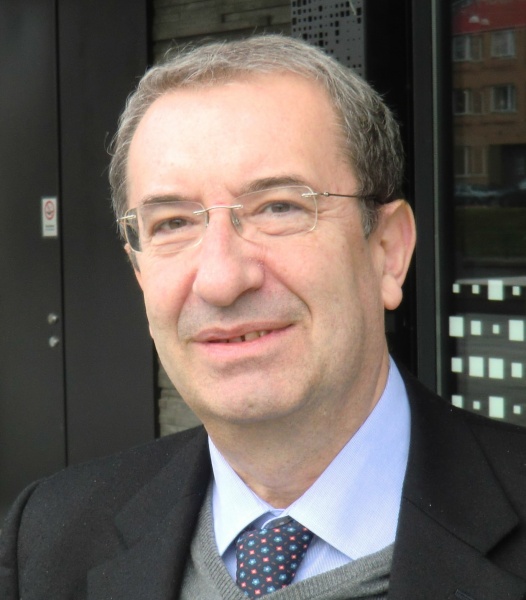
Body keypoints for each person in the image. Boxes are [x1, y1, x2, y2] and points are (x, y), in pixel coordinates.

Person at [2, 35, 526, 600]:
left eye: (279, 207)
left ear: (388, 251)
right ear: (139, 270)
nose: (221, 280)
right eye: (172, 223)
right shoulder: (51, 538)